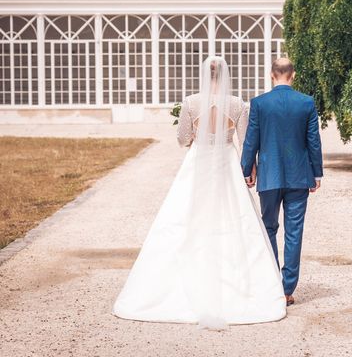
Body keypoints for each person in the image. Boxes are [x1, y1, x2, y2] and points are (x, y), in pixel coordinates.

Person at [113, 56, 286, 328]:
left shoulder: (191, 103)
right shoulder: (238, 104)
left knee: (185, 217)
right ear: (226, 74)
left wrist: (197, 133)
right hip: (227, 162)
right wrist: (249, 168)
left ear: (205, 74)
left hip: (198, 162)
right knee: (234, 219)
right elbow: (244, 138)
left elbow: (182, 139)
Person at [241, 57, 323, 307]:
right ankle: (287, 289)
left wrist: (246, 169)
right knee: (294, 232)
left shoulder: (259, 104)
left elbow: (250, 140)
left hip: (270, 175)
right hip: (299, 176)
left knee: (268, 228)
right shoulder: (306, 103)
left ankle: (272, 283)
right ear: (293, 75)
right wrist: (316, 172)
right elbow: (314, 141)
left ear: (271, 75)